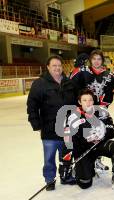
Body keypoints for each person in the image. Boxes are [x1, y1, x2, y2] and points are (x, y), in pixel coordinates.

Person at [26, 55, 77, 190]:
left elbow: (76, 103)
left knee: (66, 155)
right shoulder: (40, 83)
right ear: (48, 67)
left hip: (67, 128)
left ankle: (65, 176)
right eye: (54, 65)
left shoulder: (68, 83)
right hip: (49, 127)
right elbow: (32, 105)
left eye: (59, 65)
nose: (57, 68)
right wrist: (36, 124)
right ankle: (49, 179)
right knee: (49, 157)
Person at [60, 89, 114, 189]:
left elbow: (112, 132)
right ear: (79, 102)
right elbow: (68, 141)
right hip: (84, 150)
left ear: (93, 101)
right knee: (85, 184)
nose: (88, 103)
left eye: (90, 100)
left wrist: (103, 133)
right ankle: (82, 168)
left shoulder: (102, 112)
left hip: (99, 145)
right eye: (84, 100)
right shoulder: (72, 116)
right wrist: (65, 163)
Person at [68, 50, 114, 172]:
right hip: (82, 110)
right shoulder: (82, 71)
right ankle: (81, 160)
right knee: (82, 135)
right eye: (94, 58)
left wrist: (101, 108)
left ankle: (97, 160)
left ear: (102, 60)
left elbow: (110, 94)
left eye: (99, 59)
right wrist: (75, 68)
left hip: (98, 111)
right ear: (90, 60)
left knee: (98, 134)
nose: (96, 61)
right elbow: (71, 84)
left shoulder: (108, 76)